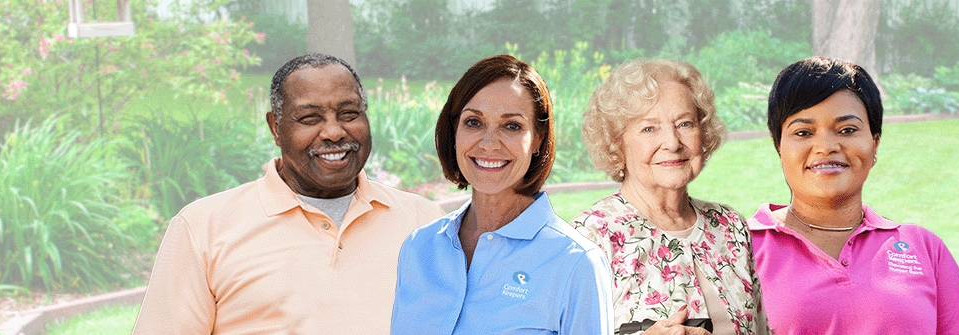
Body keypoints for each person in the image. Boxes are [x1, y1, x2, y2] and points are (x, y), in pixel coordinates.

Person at [132, 53, 445, 334]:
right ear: (275, 127)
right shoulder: (203, 229)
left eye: (349, 113)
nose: (334, 132)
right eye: (310, 118)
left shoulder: (426, 221)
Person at [748, 56, 959, 334]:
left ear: (874, 143)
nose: (826, 146)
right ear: (779, 147)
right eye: (803, 132)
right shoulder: (734, 251)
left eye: (847, 130)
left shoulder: (927, 251)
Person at [391, 55, 614, 335]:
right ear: (454, 130)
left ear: (538, 139)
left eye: (511, 126)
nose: (488, 144)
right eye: (473, 122)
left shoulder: (577, 263)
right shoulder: (418, 248)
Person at [570, 59, 764, 335]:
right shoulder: (591, 236)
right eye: (649, 128)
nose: (672, 143)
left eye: (685, 124)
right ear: (617, 142)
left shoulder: (730, 226)